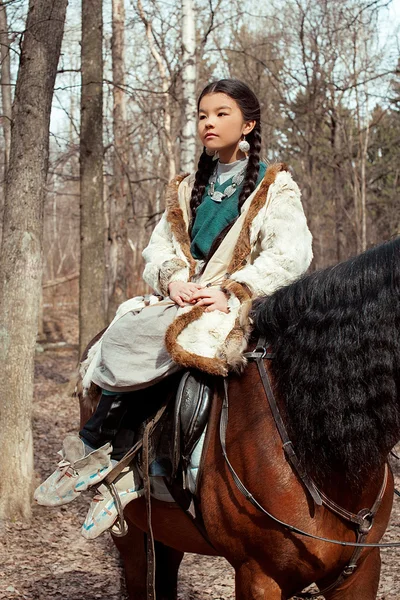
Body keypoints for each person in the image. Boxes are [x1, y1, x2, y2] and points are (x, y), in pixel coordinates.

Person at [34, 79, 313, 538]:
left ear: (248, 124)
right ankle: (104, 454)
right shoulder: (185, 188)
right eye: (203, 114)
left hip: (239, 301)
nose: (209, 122)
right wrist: (175, 279)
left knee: (192, 342)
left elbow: (290, 253)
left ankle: (144, 467)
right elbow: (159, 248)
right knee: (126, 331)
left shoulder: (273, 185)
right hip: (185, 295)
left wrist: (234, 289)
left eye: (222, 113)